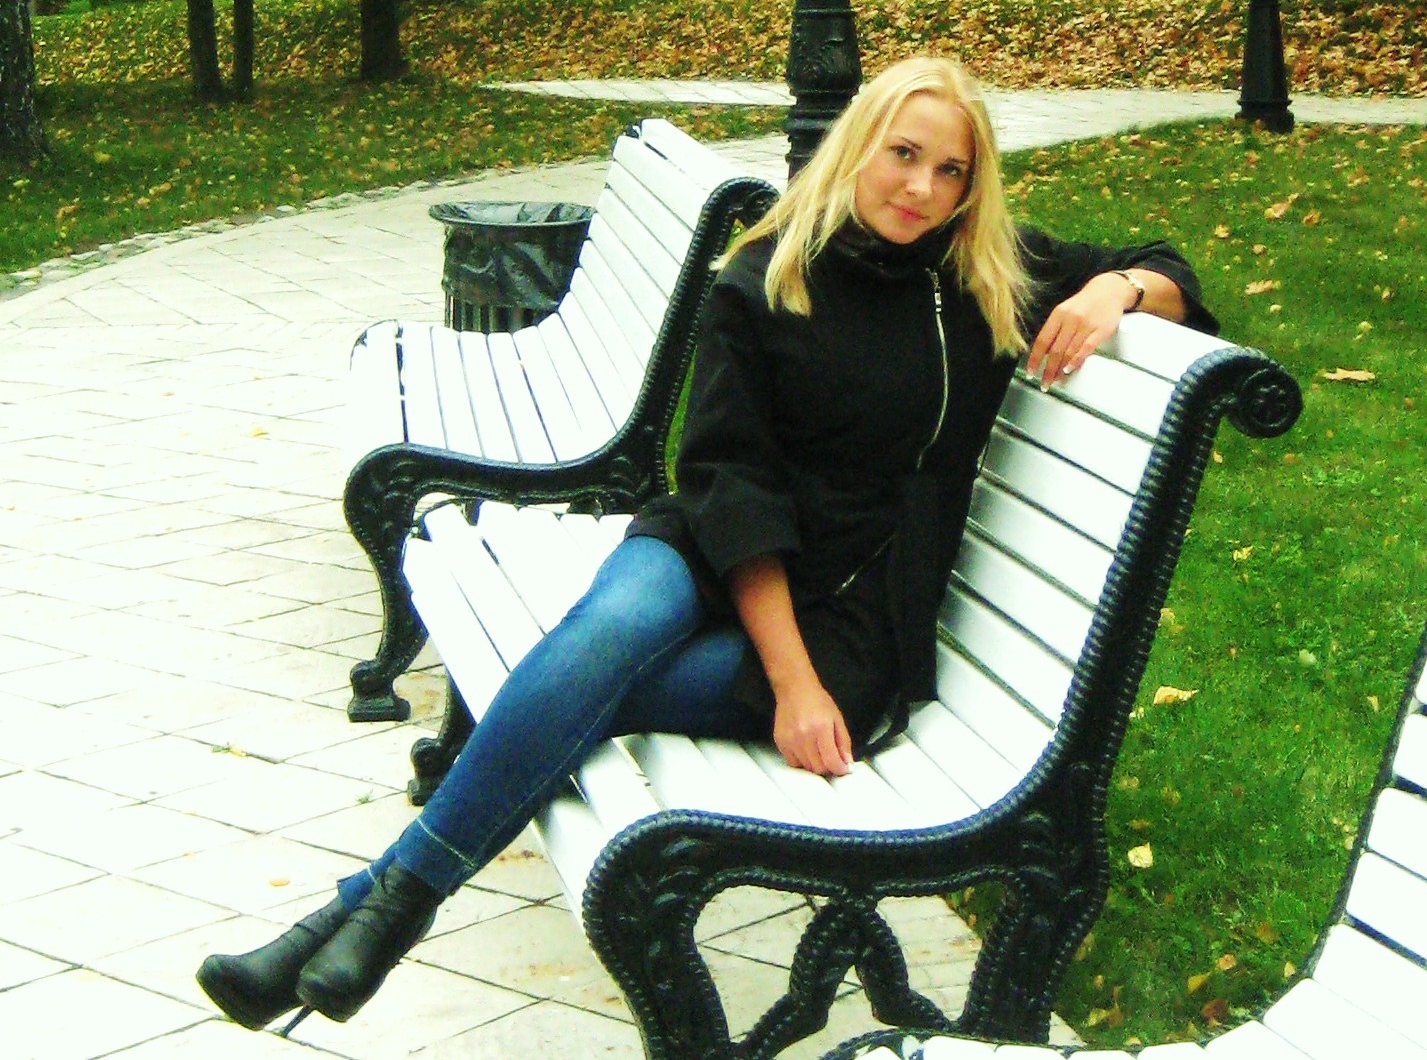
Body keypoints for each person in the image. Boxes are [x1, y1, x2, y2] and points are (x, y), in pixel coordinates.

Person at [196, 56, 1213, 1031]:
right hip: (716, 549)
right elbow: (732, 485)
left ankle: (361, 913)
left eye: (951, 170)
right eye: (903, 153)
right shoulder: (766, 276)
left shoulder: (979, 273)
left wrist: (1113, 289)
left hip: (848, 613)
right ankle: (387, 911)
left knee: (578, 689)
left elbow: (1171, 267)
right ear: (858, 144)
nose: (921, 188)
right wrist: (787, 680)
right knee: (602, 639)